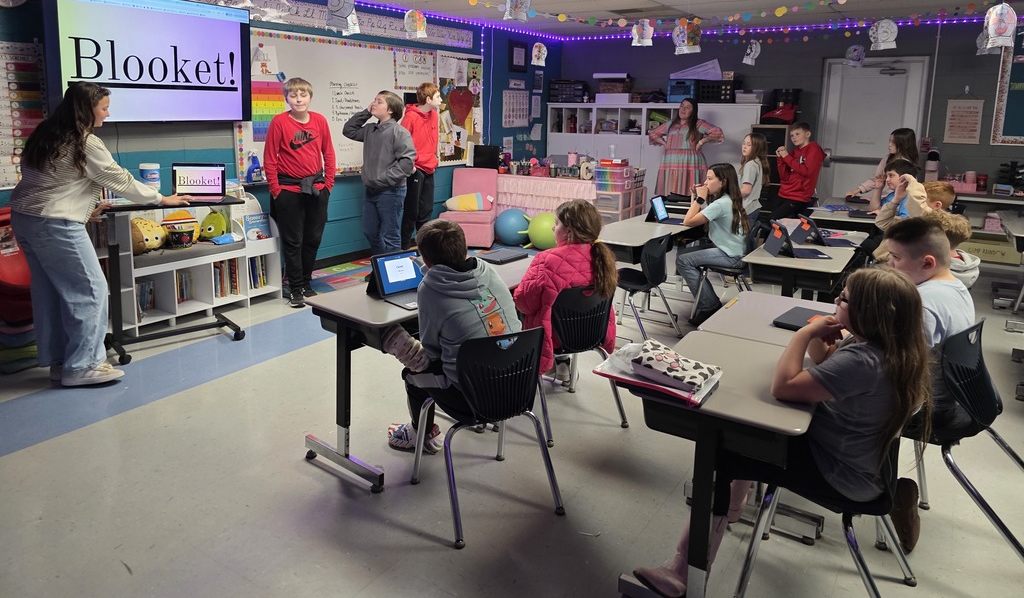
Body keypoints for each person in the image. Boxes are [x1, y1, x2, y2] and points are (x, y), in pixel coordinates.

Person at [633, 267, 931, 598]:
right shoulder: (891, 347)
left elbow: (784, 387)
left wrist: (801, 336)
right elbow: (827, 362)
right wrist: (821, 335)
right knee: (749, 435)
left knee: (724, 450)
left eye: (844, 299)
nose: (836, 299)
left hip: (841, 475)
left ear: (869, 313)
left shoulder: (865, 361)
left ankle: (682, 573)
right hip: (861, 465)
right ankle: (732, 508)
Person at [9, 82, 192, 387]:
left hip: (27, 219)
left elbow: (52, 181)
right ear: (86, 108)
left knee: (52, 292)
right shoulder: (85, 141)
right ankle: (84, 365)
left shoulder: (45, 133)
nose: (108, 113)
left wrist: (85, 208)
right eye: (104, 108)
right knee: (91, 289)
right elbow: (119, 178)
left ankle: (61, 362)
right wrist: (162, 199)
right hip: (55, 223)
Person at [382, 219, 521, 453]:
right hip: (516, 384)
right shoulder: (487, 269)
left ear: (426, 259)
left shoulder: (428, 289)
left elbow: (433, 351)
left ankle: (419, 433)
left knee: (412, 374)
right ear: (465, 248)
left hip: (473, 399)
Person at [884, 217, 975, 553]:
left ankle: (886, 489)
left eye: (895, 258)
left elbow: (892, 370)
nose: (889, 264)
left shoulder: (923, 304)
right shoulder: (953, 286)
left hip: (930, 407)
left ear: (927, 262)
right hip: (958, 398)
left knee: (827, 401)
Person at [513, 199, 618, 383]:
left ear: (568, 232)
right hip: (592, 333)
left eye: (556, 223)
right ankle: (563, 364)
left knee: (516, 305)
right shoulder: (604, 257)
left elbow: (524, 303)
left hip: (554, 339)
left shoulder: (546, 260)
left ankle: (517, 368)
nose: (553, 228)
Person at [263, 77, 335, 308]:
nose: (298, 99)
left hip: (316, 188)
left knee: (312, 240)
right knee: (293, 242)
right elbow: (270, 158)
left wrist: (328, 185)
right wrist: (276, 191)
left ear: (310, 97)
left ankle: (306, 282)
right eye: (293, 95)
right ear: (287, 99)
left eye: (303, 95)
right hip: (288, 190)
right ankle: (295, 288)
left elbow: (329, 154)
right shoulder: (279, 122)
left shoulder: (320, 121)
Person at [675, 163, 749, 327]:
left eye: (709, 179)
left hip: (731, 256)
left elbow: (688, 221)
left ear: (722, 181)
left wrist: (700, 198)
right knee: (683, 256)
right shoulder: (726, 200)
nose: (706, 183)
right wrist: (696, 197)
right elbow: (696, 215)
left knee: (683, 261)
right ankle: (708, 301)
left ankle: (709, 306)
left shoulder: (721, 204)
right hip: (735, 251)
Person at [343, 90, 416, 256]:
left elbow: (406, 163)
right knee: (370, 232)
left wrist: (383, 179)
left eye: (379, 101)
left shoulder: (399, 132)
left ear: (390, 110)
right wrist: (366, 113)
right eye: (374, 100)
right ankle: (381, 270)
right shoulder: (370, 130)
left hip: (391, 191)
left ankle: (393, 277)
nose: (374, 103)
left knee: (390, 234)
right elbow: (348, 130)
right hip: (371, 190)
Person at [648, 98, 724, 197]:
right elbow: (653, 133)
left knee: (691, 193)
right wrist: (664, 143)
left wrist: (702, 142)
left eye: (688, 107)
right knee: (669, 193)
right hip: (670, 161)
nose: (683, 109)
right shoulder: (671, 124)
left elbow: (717, 132)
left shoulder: (698, 124)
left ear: (693, 111)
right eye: (682, 106)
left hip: (690, 161)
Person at [870, 177, 952, 262]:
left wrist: (913, 182)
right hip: (883, 263)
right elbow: (882, 223)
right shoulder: (912, 220)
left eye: (922, 201)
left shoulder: (934, 227)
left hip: (895, 267)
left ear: (937, 205)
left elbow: (924, 212)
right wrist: (896, 200)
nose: (908, 203)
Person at [400, 82, 441, 249]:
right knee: (412, 211)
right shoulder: (410, 117)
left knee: (426, 210)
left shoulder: (435, 115)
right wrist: (409, 165)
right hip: (415, 169)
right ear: (428, 99)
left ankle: (422, 244)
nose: (441, 100)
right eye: (438, 97)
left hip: (430, 166)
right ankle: (403, 246)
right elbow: (400, 142)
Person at [770, 122, 826, 219]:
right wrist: (780, 159)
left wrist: (786, 157)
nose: (794, 138)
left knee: (772, 220)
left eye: (797, 134)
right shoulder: (795, 153)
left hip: (798, 196)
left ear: (807, 134)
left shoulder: (814, 149)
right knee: (770, 221)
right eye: (792, 135)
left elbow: (806, 172)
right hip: (784, 192)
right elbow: (784, 177)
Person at [845, 127, 920, 199]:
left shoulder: (907, 165)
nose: (889, 145)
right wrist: (856, 191)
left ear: (904, 144)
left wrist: (879, 200)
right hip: (883, 200)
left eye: (893, 142)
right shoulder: (887, 158)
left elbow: (900, 190)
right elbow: (876, 178)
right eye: (889, 141)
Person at [738, 132, 770, 232]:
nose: (744, 147)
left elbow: (746, 190)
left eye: (749, 145)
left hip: (747, 208)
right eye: (744, 143)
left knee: (742, 241)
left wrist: (730, 194)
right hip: (752, 207)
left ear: (757, 147)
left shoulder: (751, 164)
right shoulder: (757, 162)